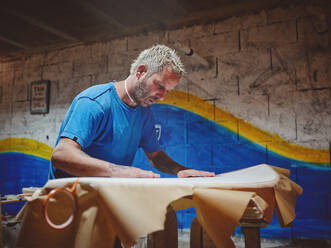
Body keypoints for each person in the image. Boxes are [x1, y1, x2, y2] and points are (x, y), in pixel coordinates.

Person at [50, 44, 215, 179]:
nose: (162, 97)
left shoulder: (145, 113)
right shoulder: (95, 102)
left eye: (168, 91)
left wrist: (180, 170)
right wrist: (119, 171)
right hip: (67, 200)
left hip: (103, 198)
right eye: (160, 86)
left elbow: (155, 156)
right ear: (141, 71)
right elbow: (62, 155)